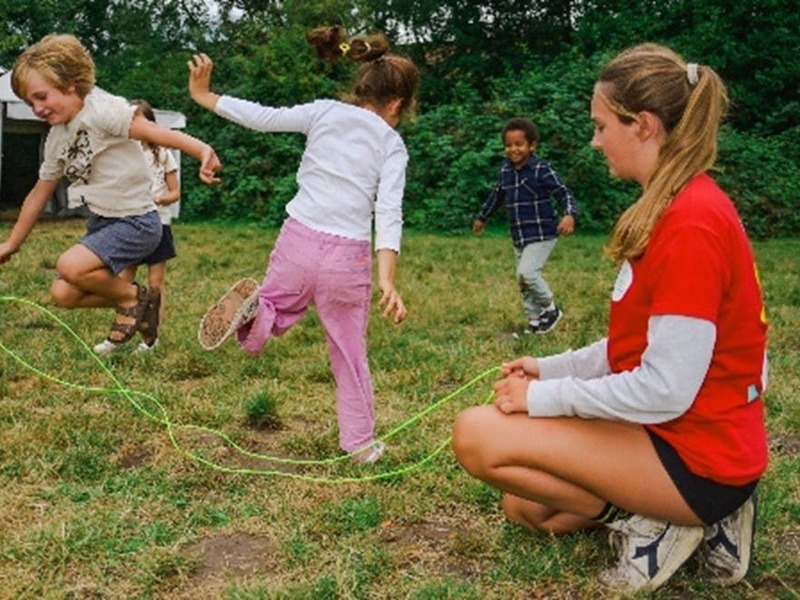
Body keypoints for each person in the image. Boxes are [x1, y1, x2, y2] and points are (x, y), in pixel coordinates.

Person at [453, 44, 768, 593]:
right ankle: (684, 519)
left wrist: (542, 401)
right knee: (527, 508)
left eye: (601, 126)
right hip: (676, 436)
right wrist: (548, 369)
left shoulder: (690, 223)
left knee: (476, 433)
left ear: (642, 126)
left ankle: (674, 518)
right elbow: (634, 345)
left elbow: (666, 388)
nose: (595, 140)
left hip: (697, 456)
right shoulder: (674, 204)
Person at [190, 26, 420, 464]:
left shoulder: (324, 112)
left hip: (299, 239)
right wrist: (387, 278)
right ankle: (360, 446)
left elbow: (264, 117)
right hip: (346, 257)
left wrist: (207, 96)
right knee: (349, 352)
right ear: (396, 105)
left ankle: (254, 314)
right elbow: (388, 212)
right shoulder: (392, 144)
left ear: (358, 91)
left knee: (277, 309)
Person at [0, 34, 220, 352]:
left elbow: (156, 132)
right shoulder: (57, 139)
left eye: (41, 96)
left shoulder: (102, 112)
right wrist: (11, 243)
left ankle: (133, 298)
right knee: (63, 294)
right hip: (104, 224)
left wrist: (202, 150)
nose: (37, 108)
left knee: (69, 265)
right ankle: (137, 299)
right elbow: (38, 194)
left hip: (137, 221)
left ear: (71, 83)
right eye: (30, 102)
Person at [472, 118, 578, 335]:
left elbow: (563, 192)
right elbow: (497, 196)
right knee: (523, 282)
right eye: (509, 145)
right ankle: (534, 323)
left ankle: (551, 309)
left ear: (532, 145)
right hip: (520, 235)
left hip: (542, 233)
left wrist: (569, 214)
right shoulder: (505, 172)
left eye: (519, 144)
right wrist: (483, 217)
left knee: (528, 273)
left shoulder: (541, 168)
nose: (514, 149)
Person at [93, 99, 181, 355]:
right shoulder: (118, 153)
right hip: (129, 226)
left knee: (156, 284)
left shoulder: (162, 153)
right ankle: (119, 337)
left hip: (157, 224)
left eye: (139, 121)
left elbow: (174, 192)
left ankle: (151, 340)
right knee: (123, 283)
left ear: (150, 124)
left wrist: (158, 200)